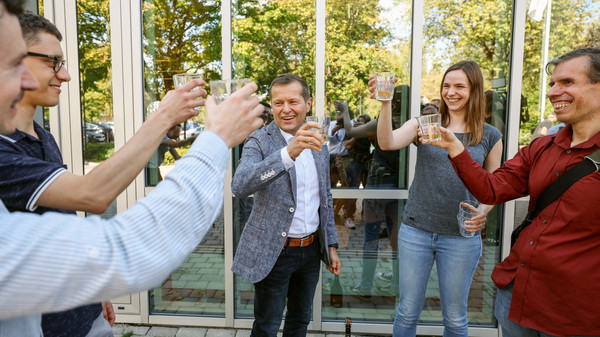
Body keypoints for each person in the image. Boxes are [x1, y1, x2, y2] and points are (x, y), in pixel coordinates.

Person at [0, 1, 264, 334]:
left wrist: (94, 289)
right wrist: (209, 134)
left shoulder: (42, 136)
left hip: (83, 313)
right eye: (52, 62)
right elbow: (95, 201)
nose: (65, 75)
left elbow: (67, 230)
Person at [430, 48, 600, 336]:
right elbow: (491, 189)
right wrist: (455, 148)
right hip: (517, 295)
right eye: (552, 84)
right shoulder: (542, 147)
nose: (553, 92)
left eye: (568, 82)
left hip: (574, 311)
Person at [375, 60, 503, 336]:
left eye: (459, 86)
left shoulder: (489, 135)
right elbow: (387, 142)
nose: (451, 92)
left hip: (460, 237)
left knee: (455, 319)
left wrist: (483, 212)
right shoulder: (425, 124)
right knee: (407, 312)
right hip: (416, 232)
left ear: (475, 90)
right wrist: (385, 103)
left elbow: (494, 187)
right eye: (446, 85)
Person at [231, 73, 341, 337]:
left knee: (300, 321)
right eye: (278, 103)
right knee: (267, 326)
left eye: (293, 101)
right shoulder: (259, 140)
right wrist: (287, 154)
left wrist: (331, 245)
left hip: (311, 249)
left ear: (308, 104)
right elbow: (240, 185)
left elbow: (324, 198)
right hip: (275, 251)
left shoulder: (319, 141)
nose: (286, 109)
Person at [337, 101, 400, 298]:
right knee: (398, 240)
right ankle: (396, 285)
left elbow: (350, 130)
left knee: (371, 238)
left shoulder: (382, 121)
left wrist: (345, 110)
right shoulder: (411, 124)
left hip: (378, 183)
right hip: (400, 186)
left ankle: (365, 287)